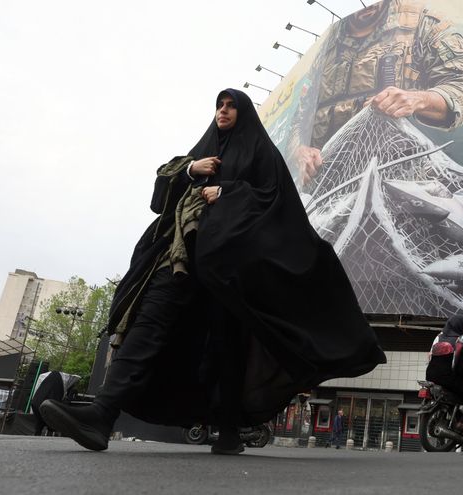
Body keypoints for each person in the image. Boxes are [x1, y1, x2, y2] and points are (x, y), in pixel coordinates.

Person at [39, 89, 386, 455]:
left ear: (245, 112)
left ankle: (229, 428)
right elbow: (161, 195)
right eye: (219, 106)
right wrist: (193, 169)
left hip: (229, 270)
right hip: (180, 259)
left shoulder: (261, 151)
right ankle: (102, 414)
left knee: (226, 347)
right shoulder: (204, 150)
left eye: (231, 106)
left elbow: (276, 199)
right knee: (149, 323)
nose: (223, 111)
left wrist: (229, 191)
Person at [288, 0, 463, 186]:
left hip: (400, 180)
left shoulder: (424, 25)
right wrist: (300, 152)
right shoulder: (327, 47)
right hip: (327, 185)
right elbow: (301, 116)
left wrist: (417, 99)